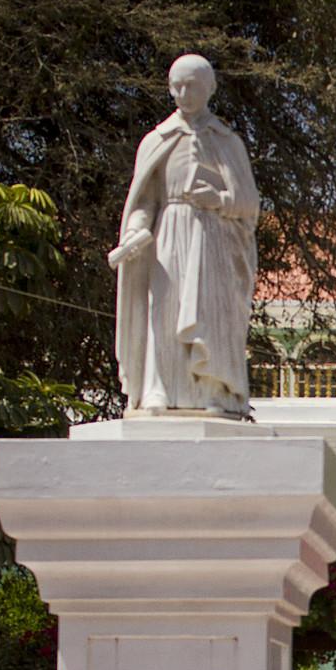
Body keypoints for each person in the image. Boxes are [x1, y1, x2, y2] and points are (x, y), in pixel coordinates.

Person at [110, 53, 260, 417]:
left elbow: (249, 204)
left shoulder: (227, 142)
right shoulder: (156, 140)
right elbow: (144, 200)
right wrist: (135, 230)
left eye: (190, 85)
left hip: (214, 237)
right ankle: (158, 389)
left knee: (209, 311)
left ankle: (214, 389)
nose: (182, 93)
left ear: (209, 88)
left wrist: (219, 199)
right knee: (164, 308)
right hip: (168, 233)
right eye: (176, 85)